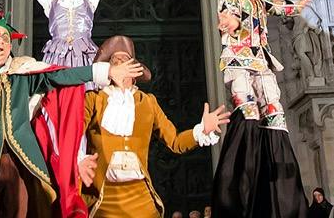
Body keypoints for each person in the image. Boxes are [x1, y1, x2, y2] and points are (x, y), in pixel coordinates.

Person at [0, 10, 137, 216]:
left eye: (5, 38)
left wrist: (106, 70)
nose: (1, 41)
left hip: (23, 166)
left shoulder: (22, 75)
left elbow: (61, 75)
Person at [213, 0, 313, 218]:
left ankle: (276, 182)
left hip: (262, 59)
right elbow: (227, 15)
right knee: (248, 114)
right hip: (238, 60)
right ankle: (243, 181)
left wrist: (298, 6)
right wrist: (229, 23)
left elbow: (275, 6)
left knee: (274, 111)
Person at [76, 34, 229, 217]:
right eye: (116, 62)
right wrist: (78, 160)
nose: (122, 66)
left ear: (136, 72)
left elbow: (175, 141)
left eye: (127, 61)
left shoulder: (147, 102)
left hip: (139, 198)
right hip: (103, 197)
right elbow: (72, 135)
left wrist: (202, 130)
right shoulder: (94, 99)